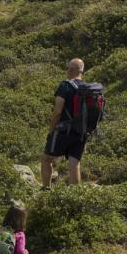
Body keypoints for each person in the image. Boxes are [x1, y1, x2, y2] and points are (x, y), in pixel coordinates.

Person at [41, 58, 89, 188]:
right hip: (81, 132)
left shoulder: (65, 86)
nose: (67, 70)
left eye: (68, 68)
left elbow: (57, 112)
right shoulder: (87, 88)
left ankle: (46, 189)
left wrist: (51, 131)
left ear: (72, 70)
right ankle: (75, 196)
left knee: (46, 158)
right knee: (75, 163)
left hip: (63, 131)